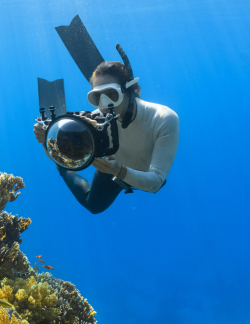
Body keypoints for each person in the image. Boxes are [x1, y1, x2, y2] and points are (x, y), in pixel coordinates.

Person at [33, 61, 179, 214]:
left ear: (130, 90)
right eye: (97, 97)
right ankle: (62, 171)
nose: (104, 105)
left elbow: (155, 183)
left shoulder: (163, 119)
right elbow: (64, 157)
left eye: (112, 94)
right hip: (112, 167)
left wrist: (119, 170)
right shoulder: (97, 120)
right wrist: (47, 139)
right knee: (93, 206)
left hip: (133, 173)